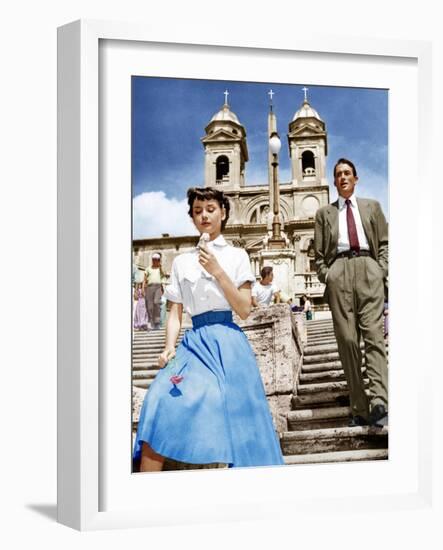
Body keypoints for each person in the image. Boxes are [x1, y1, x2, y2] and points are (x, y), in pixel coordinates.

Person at [134, 186, 284, 471]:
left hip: (228, 343)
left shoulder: (237, 255)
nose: (204, 216)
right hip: (194, 344)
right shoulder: (181, 262)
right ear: (192, 217)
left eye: (210, 210)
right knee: (157, 399)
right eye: (197, 211)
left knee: (239, 421)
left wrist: (217, 270)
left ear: (223, 213)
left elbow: (243, 308)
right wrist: (168, 347)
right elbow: (175, 312)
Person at [314, 158, 388, 428]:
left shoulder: (372, 207)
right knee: (347, 341)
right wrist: (329, 275)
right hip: (339, 272)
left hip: (369, 269)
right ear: (334, 182)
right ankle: (359, 406)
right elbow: (319, 256)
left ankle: (380, 400)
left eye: (347, 173)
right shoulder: (324, 214)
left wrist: (381, 270)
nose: (343, 177)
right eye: (338, 174)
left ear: (356, 178)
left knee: (374, 338)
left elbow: (384, 243)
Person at [143, 252, 166, 330]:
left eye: (157, 260)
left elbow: (163, 275)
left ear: (159, 260)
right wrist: (143, 289)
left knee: (156, 303)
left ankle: (157, 322)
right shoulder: (148, 269)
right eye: (154, 259)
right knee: (149, 306)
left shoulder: (160, 269)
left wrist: (160, 267)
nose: (155, 261)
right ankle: (150, 321)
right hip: (149, 287)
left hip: (158, 287)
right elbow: (144, 280)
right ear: (152, 260)